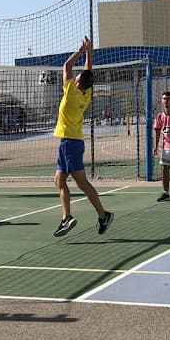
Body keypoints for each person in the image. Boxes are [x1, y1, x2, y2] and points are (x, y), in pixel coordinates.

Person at [52, 36, 113, 237]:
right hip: (69, 141)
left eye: (77, 77)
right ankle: (66, 217)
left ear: (77, 83)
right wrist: (89, 52)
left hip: (70, 142)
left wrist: (80, 50)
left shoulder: (71, 92)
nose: (76, 76)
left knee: (82, 183)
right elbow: (88, 72)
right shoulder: (86, 94)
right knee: (59, 181)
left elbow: (67, 65)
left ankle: (103, 214)